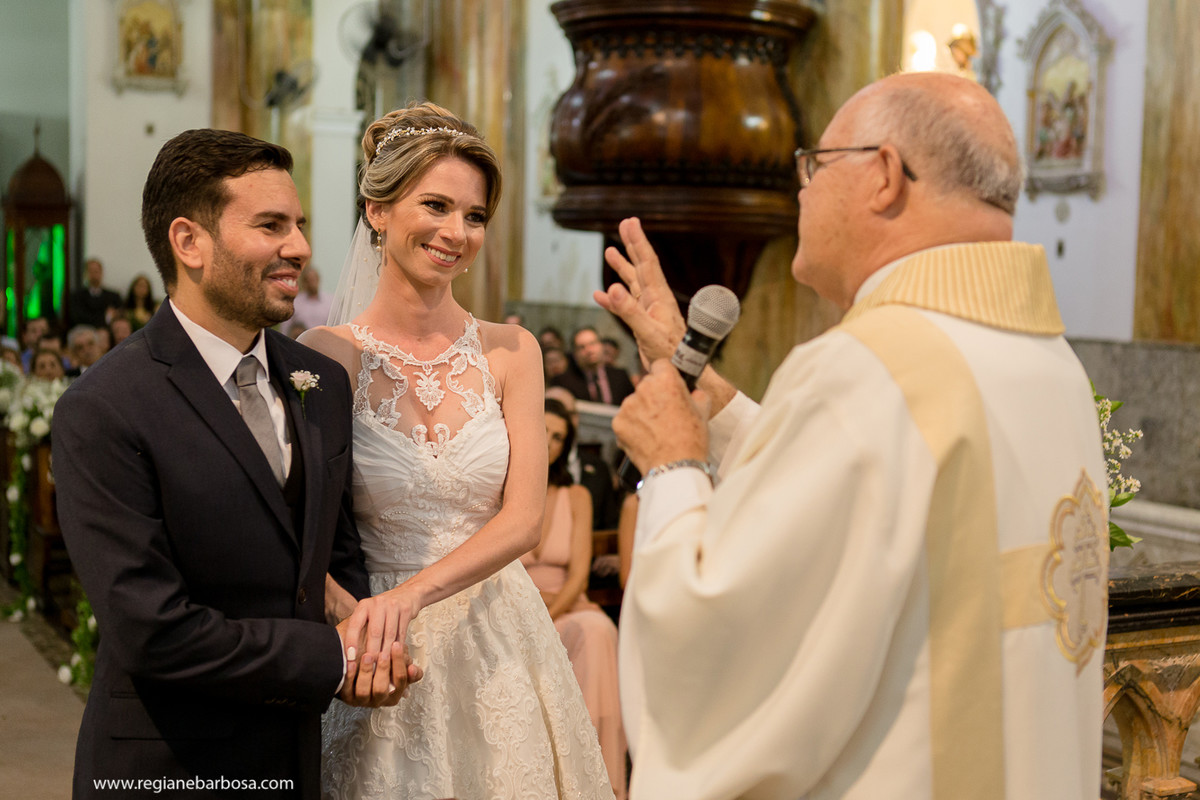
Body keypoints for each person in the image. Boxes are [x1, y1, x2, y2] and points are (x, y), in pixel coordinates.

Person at [598, 72, 1109, 800]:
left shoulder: (869, 368)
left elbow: (717, 648)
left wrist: (673, 463)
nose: (799, 191)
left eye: (813, 165)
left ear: (884, 176)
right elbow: (880, 512)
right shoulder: (1050, 367)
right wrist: (712, 402)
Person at [53, 128, 417, 800]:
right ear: (189, 242)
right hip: (170, 763)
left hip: (299, 757)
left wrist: (368, 634)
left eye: (300, 225)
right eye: (271, 225)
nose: (301, 248)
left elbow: (335, 552)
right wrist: (331, 658)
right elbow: (152, 629)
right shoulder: (104, 406)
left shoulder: (319, 381)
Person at [299, 101, 612, 799]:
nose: (456, 232)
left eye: (474, 216)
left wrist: (408, 599)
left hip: (497, 631)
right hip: (376, 640)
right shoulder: (325, 356)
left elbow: (524, 519)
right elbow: (296, 524)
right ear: (377, 211)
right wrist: (353, 620)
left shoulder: (512, 351)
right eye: (435, 205)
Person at [521, 398, 627, 799]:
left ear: (566, 446)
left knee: (598, 628)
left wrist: (555, 608)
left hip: (565, 603)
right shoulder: (501, 489)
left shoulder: (577, 496)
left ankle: (600, 779)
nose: (548, 442)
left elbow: (580, 573)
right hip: (517, 604)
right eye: (543, 430)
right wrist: (531, 607)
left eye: (558, 437)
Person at [552, 326, 635, 406]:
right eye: (582, 347)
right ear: (575, 353)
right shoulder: (565, 381)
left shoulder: (620, 376)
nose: (589, 350)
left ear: (601, 346)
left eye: (592, 344)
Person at [68, 257, 123, 328]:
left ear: (102, 273)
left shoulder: (113, 296)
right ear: (85, 274)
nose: (94, 275)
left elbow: (119, 315)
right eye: (91, 271)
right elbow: (78, 317)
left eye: (96, 271)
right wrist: (106, 318)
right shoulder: (77, 296)